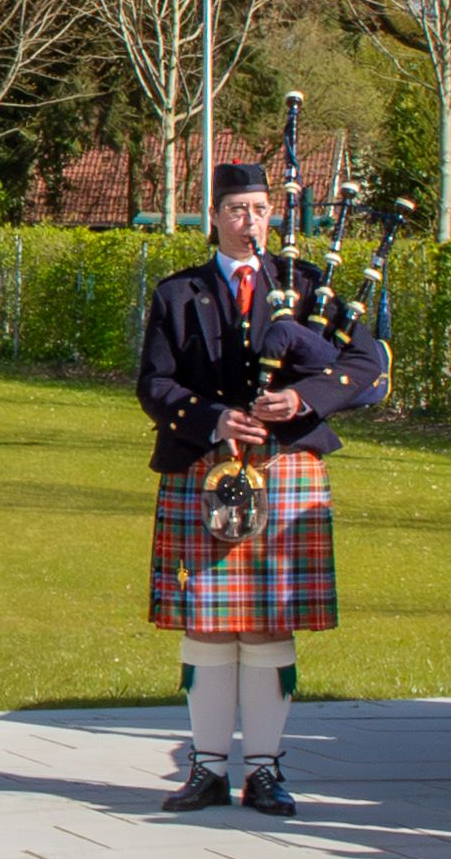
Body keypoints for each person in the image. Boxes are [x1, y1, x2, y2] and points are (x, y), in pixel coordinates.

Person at [131, 161, 385, 817]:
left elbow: (364, 363)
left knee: (270, 625)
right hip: (203, 463)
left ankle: (266, 769)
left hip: (286, 465)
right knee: (210, 629)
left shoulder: (308, 287)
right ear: (213, 216)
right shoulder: (177, 294)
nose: (251, 222)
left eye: (260, 209)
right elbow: (153, 386)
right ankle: (208, 767)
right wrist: (213, 417)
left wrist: (302, 397)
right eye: (237, 209)